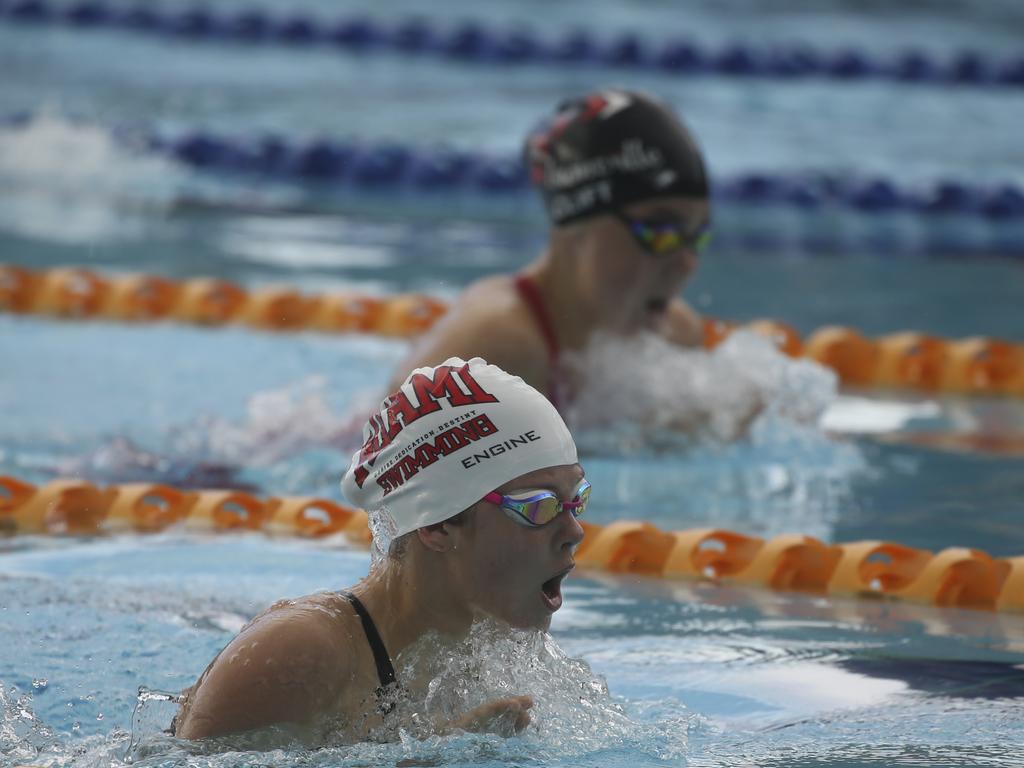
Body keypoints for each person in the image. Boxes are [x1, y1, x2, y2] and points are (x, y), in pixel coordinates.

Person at [173, 357, 589, 744]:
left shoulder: (490, 641)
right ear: (438, 524)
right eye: (539, 506)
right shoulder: (295, 657)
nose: (574, 531)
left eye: (576, 500)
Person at [388, 88, 712, 412]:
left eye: (697, 236)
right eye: (661, 232)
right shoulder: (494, 347)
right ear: (577, 226)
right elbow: (380, 461)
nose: (687, 262)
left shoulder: (676, 336)